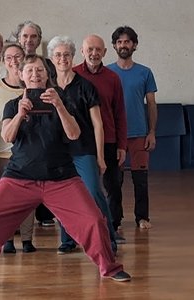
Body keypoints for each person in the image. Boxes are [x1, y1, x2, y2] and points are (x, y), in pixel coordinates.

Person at [0, 54, 131, 291]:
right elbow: (7, 136)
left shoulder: (63, 102)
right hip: (19, 178)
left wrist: (59, 105)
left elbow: (74, 135)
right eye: (29, 71)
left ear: (47, 75)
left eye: (39, 71)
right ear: (21, 76)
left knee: (92, 219)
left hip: (61, 178)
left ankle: (109, 267)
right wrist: (19, 114)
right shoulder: (12, 104)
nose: (35, 75)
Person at [47, 36, 116, 255]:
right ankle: (67, 241)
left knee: (94, 193)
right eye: (58, 55)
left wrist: (101, 157)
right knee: (63, 198)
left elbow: (98, 124)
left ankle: (109, 239)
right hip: (58, 153)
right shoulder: (47, 86)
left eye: (67, 54)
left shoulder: (85, 86)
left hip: (83, 150)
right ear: (52, 58)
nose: (62, 59)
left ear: (73, 56)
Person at [73, 34, 128, 242]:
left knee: (113, 185)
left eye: (98, 50)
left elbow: (120, 113)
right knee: (87, 187)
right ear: (82, 51)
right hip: (83, 142)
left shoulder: (113, 78)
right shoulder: (73, 74)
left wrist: (122, 145)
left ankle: (112, 227)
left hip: (110, 140)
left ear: (105, 52)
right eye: (90, 49)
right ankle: (86, 228)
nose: (94, 53)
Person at [0, 44, 37, 254]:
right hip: (4, 152)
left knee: (29, 198)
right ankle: (7, 239)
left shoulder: (33, 87)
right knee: (6, 200)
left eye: (18, 57)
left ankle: (27, 239)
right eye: (9, 58)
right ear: (3, 61)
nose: (14, 61)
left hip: (30, 152)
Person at [107, 26, 158, 230]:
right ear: (114, 46)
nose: (123, 45)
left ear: (134, 45)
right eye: (119, 42)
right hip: (115, 136)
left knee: (140, 180)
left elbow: (152, 104)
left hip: (139, 134)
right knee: (114, 182)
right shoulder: (108, 72)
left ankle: (142, 218)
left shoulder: (145, 72)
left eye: (127, 41)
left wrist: (152, 132)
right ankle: (115, 221)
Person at [12, 22, 56, 227]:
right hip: (19, 123)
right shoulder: (12, 61)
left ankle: (45, 215)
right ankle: (20, 226)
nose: (29, 40)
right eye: (25, 36)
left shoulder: (46, 65)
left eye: (33, 36)